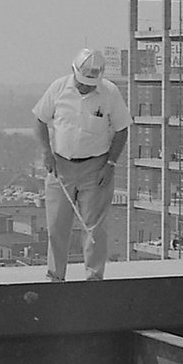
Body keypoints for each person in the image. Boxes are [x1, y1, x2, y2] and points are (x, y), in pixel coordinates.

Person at [33, 49, 131, 281]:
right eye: (82, 82)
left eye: (90, 84)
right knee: (57, 225)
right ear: (73, 72)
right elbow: (39, 119)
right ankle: (55, 277)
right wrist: (46, 152)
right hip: (61, 166)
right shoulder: (58, 88)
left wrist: (110, 164)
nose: (85, 87)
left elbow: (121, 129)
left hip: (95, 167)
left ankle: (94, 278)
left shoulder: (109, 93)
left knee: (94, 228)